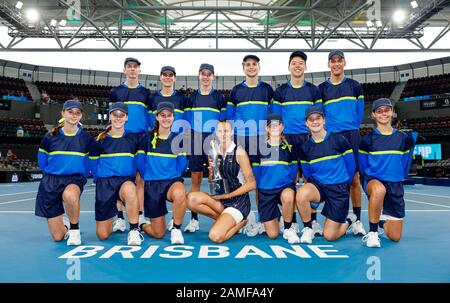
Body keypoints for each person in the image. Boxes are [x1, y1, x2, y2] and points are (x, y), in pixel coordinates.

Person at [271, 50, 323, 236]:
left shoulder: (314, 90)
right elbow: (275, 118)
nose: (298, 65)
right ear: (289, 67)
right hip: (288, 139)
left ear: (305, 67)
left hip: (308, 138)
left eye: (301, 63)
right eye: (294, 63)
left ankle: (313, 222)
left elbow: (319, 116)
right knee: (290, 180)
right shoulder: (280, 91)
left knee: (310, 179)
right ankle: (291, 222)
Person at [318, 50, 366, 236]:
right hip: (332, 137)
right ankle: (337, 217)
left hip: (351, 135)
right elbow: (321, 115)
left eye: (339, 61)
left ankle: (357, 220)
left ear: (344, 63)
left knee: (354, 179)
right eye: (333, 61)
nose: (336, 64)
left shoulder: (355, 86)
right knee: (335, 179)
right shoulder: (322, 88)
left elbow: (359, 112)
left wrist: (352, 128)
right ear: (328, 64)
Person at [186, 120, 256, 243]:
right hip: (222, 199)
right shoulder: (213, 152)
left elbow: (252, 183)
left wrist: (229, 195)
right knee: (190, 199)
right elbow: (213, 183)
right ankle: (225, 220)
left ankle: (243, 222)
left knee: (215, 235)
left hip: (238, 201)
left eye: (226, 131)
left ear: (231, 132)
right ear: (216, 133)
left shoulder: (239, 152)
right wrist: (213, 171)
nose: (223, 134)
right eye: (220, 131)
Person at [359, 98, 416, 247]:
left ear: (392, 112)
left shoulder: (403, 138)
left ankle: (381, 221)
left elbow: (404, 162)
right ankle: (372, 233)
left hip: (395, 185)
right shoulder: (367, 140)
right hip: (374, 181)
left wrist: (396, 176)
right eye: (379, 111)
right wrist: (369, 180)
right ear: (373, 115)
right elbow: (363, 165)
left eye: (386, 110)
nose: (383, 113)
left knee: (395, 236)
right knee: (379, 190)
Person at [296, 106, 358, 244]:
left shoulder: (338, 140)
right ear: (306, 123)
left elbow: (351, 165)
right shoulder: (305, 147)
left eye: (318, 118)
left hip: (339, 189)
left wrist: (344, 185)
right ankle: (308, 228)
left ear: (324, 120)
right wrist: (313, 188)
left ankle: (349, 220)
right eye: (311, 119)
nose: (315, 122)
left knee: (330, 236)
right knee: (301, 194)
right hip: (320, 187)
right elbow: (307, 172)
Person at [227, 54, 274, 234]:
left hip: (261, 139)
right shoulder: (236, 90)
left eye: (254, 64)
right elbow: (230, 117)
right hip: (240, 140)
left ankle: (262, 218)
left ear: (259, 67)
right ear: (243, 68)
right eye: (248, 64)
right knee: (240, 181)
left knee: (259, 181)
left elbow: (273, 115)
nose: (251, 67)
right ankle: (243, 217)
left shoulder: (268, 90)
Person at [35, 99, 93, 245]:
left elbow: (88, 161)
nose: (74, 115)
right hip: (51, 182)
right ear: (63, 113)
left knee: (70, 195)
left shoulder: (86, 138)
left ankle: (74, 229)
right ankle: (66, 225)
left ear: (81, 116)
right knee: (58, 236)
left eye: (77, 113)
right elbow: (42, 161)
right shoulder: (50, 137)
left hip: (74, 179)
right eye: (70, 112)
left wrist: (82, 175)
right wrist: (52, 174)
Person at [89, 102, 143, 246]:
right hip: (105, 185)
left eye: (122, 115)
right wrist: (98, 179)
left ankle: (134, 230)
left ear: (126, 118)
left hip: (125, 181)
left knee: (131, 191)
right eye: (115, 115)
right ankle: (114, 215)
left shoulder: (133, 139)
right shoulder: (99, 140)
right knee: (103, 235)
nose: (118, 118)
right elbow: (93, 164)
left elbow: (139, 162)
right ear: (110, 116)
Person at [137, 102, 188, 245]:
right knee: (158, 233)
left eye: (169, 116)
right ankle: (142, 224)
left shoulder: (179, 139)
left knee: (180, 193)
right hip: (152, 185)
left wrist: (175, 174)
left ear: (173, 118)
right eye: (162, 115)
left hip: (171, 182)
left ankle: (176, 229)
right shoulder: (147, 138)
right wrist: (147, 174)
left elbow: (182, 163)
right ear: (157, 117)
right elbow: (140, 160)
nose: (166, 118)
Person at [109, 57, 151, 233]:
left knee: (140, 179)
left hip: (141, 138)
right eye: (129, 67)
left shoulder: (146, 93)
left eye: (135, 67)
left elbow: (149, 118)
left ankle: (140, 216)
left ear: (139, 70)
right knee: (121, 178)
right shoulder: (115, 91)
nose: (132, 69)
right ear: (125, 69)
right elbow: (112, 117)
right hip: (122, 138)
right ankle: (120, 219)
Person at [148, 65, 191, 231]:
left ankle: (176, 225)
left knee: (179, 190)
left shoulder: (182, 99)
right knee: (158, 232)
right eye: (164, 75)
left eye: (170, 75)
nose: (167, 77)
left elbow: (186, 122)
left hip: (175, 147)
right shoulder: (152, 99)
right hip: (154, 177)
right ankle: (138, 223)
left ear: (174, 78)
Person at [186, 63, 227, 233]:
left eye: (209, 74)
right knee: (195, 179)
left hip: (213, 141)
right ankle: (193, 219)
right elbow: (187, 122)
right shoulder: (191, 98)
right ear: (198, 75)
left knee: (215, 180)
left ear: (213, 77)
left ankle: (220, 217)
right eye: (203, 74)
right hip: (195, 140)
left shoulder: (219, 98)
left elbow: (223, 123)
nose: (205, 77)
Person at [252, 113, 300, 243]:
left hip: (284, 187)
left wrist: (289, 181)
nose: (274, 128)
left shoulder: (289, 147)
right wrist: (262, 186)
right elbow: (256, 171)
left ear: (282, 126)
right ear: (266, 128)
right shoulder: (259, 147)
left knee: (289, 196)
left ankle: (288, 228)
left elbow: (294, 167)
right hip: (266, 191)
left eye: (277, 125)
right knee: (272, 234)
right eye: (271, 126)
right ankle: (276, 215)